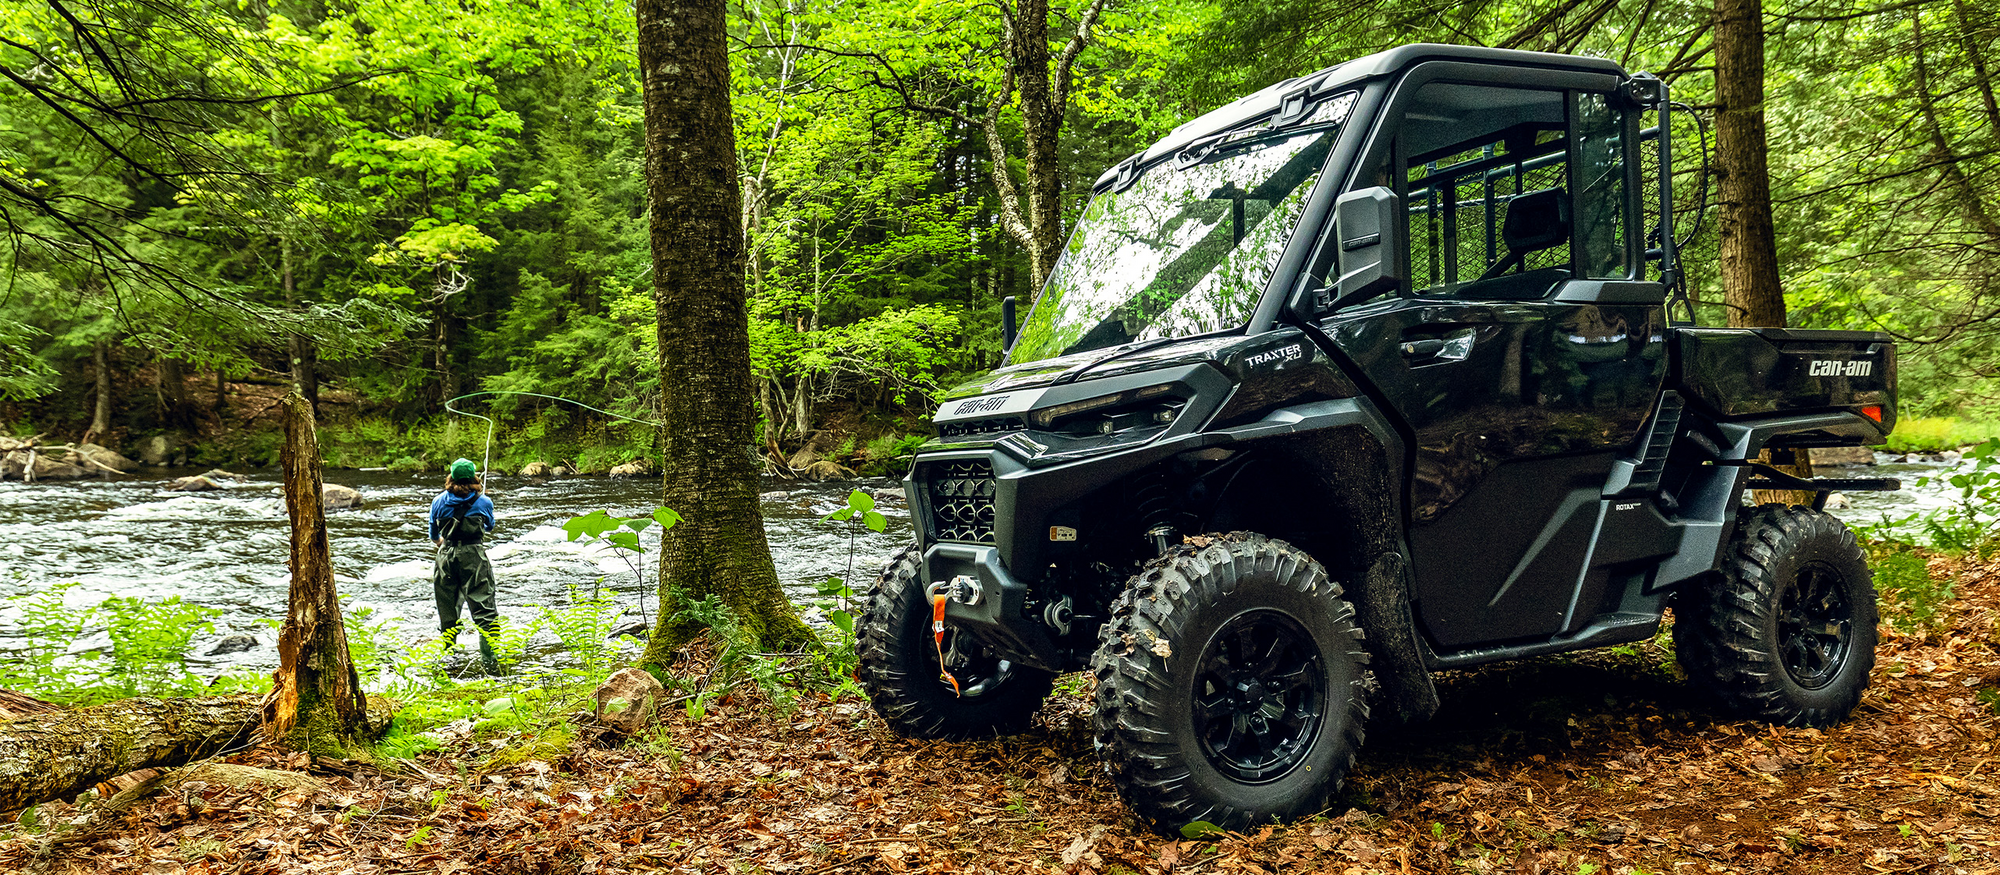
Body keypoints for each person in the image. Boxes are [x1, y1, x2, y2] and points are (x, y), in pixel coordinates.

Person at [430, 458, 500, 672]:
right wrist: (481, 501)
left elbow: (434, 535)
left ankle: (450, 665)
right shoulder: (483, 501)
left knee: (448, 611)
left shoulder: (438, 501)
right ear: (473, 477)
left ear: (450, 477)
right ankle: (491, 667)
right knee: (485, 612)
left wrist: (446, 545)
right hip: (474, 557)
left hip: (445, 557)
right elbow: (490, 527)